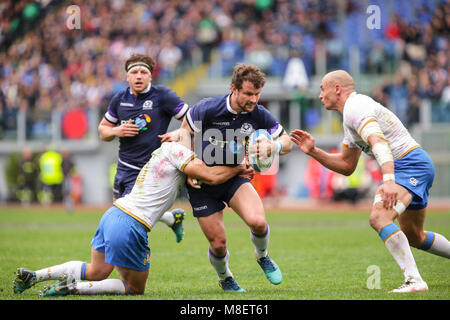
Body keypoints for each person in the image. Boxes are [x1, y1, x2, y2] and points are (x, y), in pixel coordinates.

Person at [13, 129, 253, 296]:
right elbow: (209, 175)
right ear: (182, 140)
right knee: (135, 289)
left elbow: (198, 177)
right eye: (190, 139)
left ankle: (34, 276)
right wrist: (239, 169)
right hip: (131, 224)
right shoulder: (177, 151)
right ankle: (73, 288)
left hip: (113, 214)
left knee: (97, 270)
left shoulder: (163, 154)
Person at [290, 70, 450, 293]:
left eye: (322, 88)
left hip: (409, 165)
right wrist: (313, 151)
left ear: (337, 89)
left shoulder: (356, 108)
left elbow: (379, 142)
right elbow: (347, 165)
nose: (320, 95)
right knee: (414, 235)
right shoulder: (349, 117)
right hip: (412, 164)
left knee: (379, 216)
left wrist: (389, 180)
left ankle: (414, 281)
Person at [177, 63, 292, 292]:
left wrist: (274, 145)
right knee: (218, 244)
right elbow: (184, 130)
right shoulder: (208, 108)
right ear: (234, 89)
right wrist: (188, 165)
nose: (253, 99)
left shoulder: (259, 114)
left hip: (234, 177)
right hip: (203, 184)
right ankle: (225, 277)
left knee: (258, 222)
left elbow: (287, 141)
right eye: (248, 94)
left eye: (257, 94)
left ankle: (262, 256)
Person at [98, 53, 190, 243]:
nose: (138, 76)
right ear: (127, 77)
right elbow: (103, 131)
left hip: (149, 168)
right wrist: (118, 130)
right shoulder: (119, 99)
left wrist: (177, 134)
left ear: (150, 76)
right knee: (120, 213)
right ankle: (172, 219)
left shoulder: (162, 96)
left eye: (143, 72)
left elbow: (191, 119)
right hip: (123, 167)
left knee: (127, 218)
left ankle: (136, 259)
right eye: (134, 72)